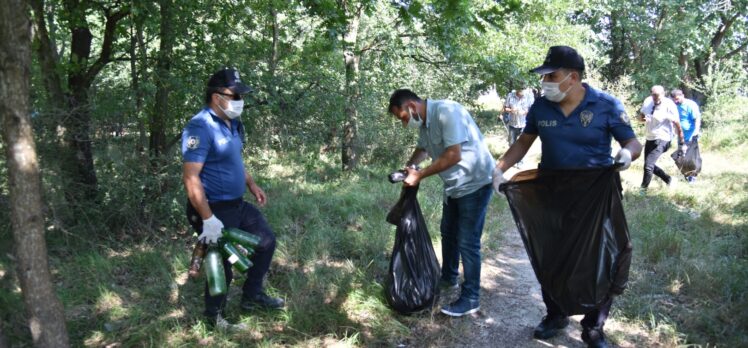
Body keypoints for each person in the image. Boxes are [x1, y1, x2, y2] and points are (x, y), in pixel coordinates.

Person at [491, 46, 642, 348]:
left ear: (572, 77)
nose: (545, 81)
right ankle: (555, 313)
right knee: (552, 255)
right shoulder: (541, 106)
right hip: (552, 191)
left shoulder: (605, 105)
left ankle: (593, 328)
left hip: (595, 195)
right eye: (544, 75)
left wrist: (627, 154)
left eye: (552, 75)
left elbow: (632, 141)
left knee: (603, 257)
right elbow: (523, 142)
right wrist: (499, 169)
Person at [182, 68, 284, 331]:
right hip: (212, 207)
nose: (240, 100)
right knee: (221, 263)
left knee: (266, 241)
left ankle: (252, 297)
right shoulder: (200, 127)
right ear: (217, 97)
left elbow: (234, 159)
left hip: (236, 203)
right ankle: (213, 318)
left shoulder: (233, 122)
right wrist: (208, 220)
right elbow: (191, 178)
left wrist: (251, 183)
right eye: (235, 95)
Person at [388, 89, 496, 317]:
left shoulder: (448, 112)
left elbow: (454, 155)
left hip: (475, 183)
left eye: (404, 118)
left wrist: (420, 175)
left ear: (412, 106)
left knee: (468, 241)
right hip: (454, 186)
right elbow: (423, 149)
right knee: (448, 233)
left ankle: (471, 297)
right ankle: (449, 278)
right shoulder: (425, 123)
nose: (404, 124)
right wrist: (409, 168)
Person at [638, 85, 686, 192]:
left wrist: (682, 141)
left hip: (663, 138)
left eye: (658, 96)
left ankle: (642, 190)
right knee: (649, 165)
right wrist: (641, 118)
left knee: (648, 166)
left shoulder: (669, 105)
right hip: (650, 137)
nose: (655, 98)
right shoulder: (647, 101)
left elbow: (677, 123)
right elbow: (641, 116)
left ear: (663, 94)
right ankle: (669, 180)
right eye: (653, 95)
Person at [671, 89, 701, 183]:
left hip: (691, 135)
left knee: (691, 157)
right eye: (674, 100)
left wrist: (696, 132)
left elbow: (697, 119)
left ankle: (693, 176)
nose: (676, 101)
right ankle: (686, 174)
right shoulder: (675, 106)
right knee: (680, 157)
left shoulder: (690, 105)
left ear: (682, 95)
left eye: (677, 99)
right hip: (681, 136)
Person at [503, 87, 535, 167]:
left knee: (522, 144)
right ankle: (512, 160)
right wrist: (511, 110)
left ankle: (520, 162)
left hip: (524, 124)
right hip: (512, 124)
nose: (522, 90)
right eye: (520, 88)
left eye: (524, 88)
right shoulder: (510, 95)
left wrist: (524, 112)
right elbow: (505, 108)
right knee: (511, 143)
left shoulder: (529, 96)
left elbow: (533, 110)